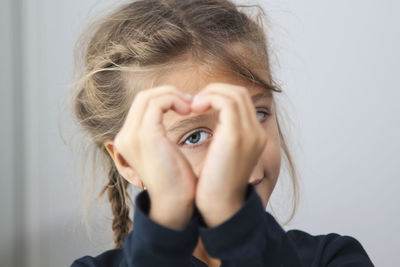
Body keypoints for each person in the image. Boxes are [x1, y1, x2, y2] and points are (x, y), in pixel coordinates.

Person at [69, 0, 374, 266]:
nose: (237, 147)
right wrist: (164, 230)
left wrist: (233, 221)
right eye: (195, 136)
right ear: (128, 162)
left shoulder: (333, 257)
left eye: (256, 115)